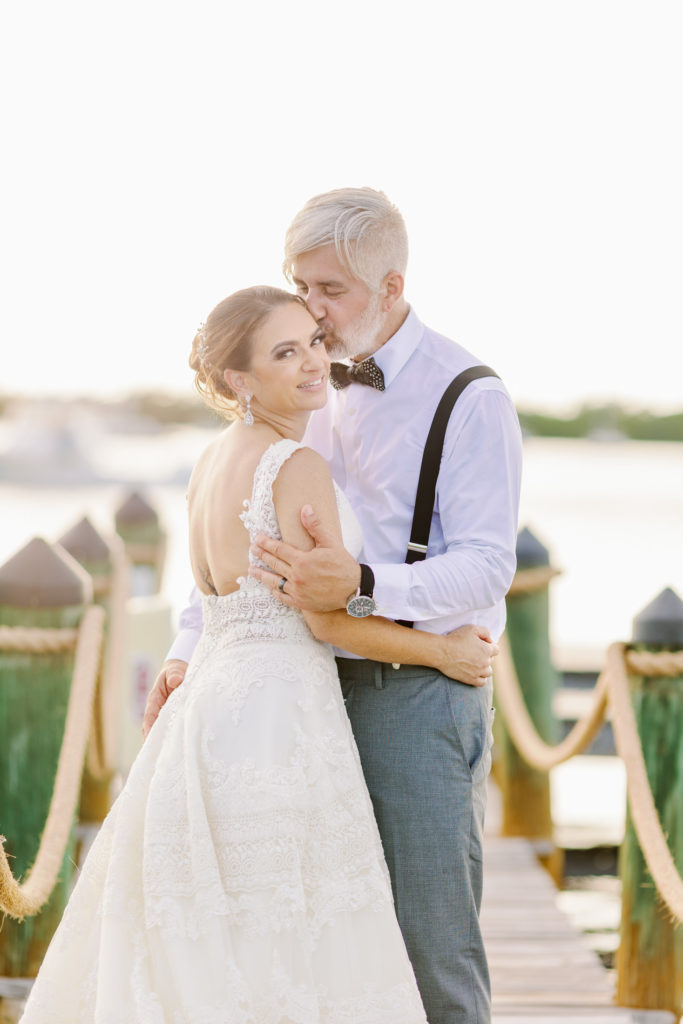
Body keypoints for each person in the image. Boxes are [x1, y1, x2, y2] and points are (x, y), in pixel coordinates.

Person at [19, 285, 497, 1024]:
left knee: (219, 935)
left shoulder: (210, 463)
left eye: (312, 340)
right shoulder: (292, 466)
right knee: (288, 939)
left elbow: (217, 601)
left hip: (208, 714)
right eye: (285, 352)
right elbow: (328, 622)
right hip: (277, 723)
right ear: (238, 380)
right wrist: (442, 652)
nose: (313, 364)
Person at [145, 188, 523, 1024]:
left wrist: (361, 584)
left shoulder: (469, 396)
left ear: (391, 286)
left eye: (330, 291)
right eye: (299, 285)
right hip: (289, 700)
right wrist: (184, 645)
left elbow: (487, 567)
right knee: (316, 953)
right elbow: (247, 547)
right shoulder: (295, 382)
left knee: (428, 948)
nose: (310, 311)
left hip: (411, 697)